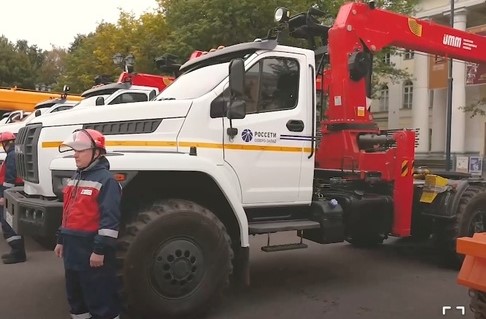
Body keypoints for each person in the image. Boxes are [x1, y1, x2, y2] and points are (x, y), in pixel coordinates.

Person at [54, 129, 122, 319]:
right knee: (76, 300)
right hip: (72, 249)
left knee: (100, 299)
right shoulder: (77, 177)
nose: (75, 154)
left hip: (91, 250)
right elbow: (68, 212)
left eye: (81, 150)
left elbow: (110, 220)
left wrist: (99, 250)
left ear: (97, 152)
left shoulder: (107, 181)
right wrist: (61, 239)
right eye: (74, 150)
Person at [0, 131, 26, 264]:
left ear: (6, 143)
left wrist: (4, 195)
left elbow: (9, 177)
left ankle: (18, 253)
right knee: (8, 221)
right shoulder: (14, 153)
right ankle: (16, 251)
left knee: (8, 222)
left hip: (9, 192)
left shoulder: (12, 155)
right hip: (10, 191)